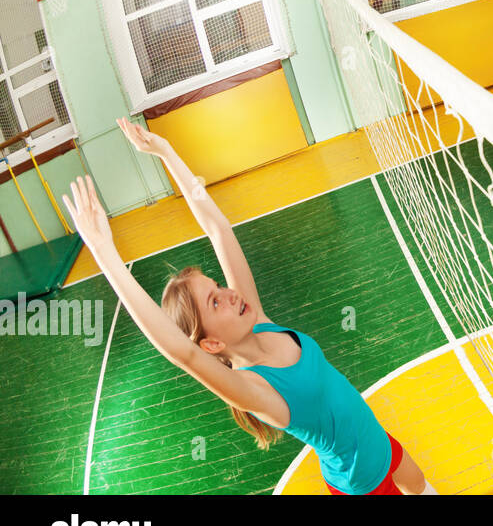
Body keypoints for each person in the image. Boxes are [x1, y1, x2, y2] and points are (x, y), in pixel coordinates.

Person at [61, 119, 436, 496]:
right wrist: (104, 254)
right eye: (214, 301)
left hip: (378, 442)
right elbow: (180, 352)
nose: (229, 293)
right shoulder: (256, 391)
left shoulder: (260, 324)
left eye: (218, 285)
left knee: (419, 484)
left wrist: (166, 153)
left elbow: (218, 231)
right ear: (210, 345)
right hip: (360, 484)